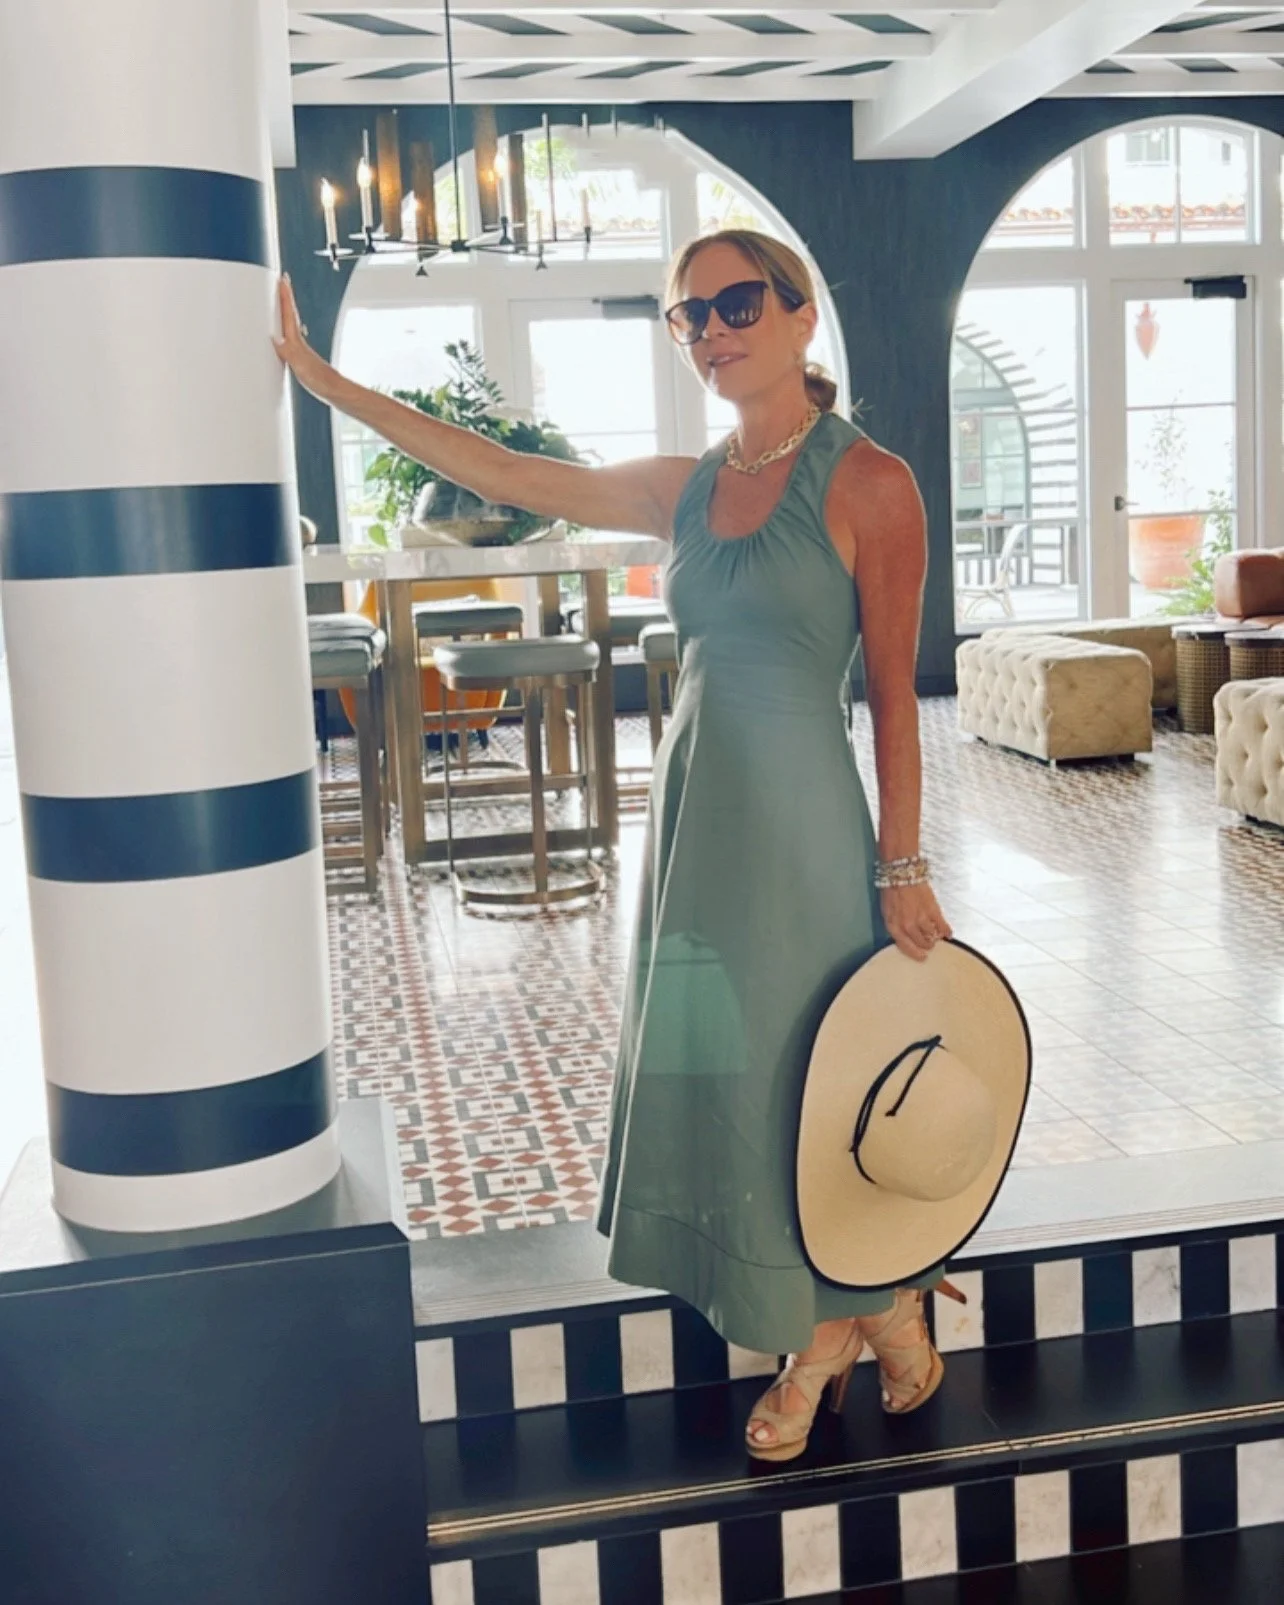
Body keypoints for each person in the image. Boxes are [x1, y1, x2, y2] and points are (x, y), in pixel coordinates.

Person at [273, 227, 957, 1463]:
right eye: (689, 315)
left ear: (802, 315)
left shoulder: (872, 483)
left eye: (735, 303)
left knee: (805, 1079)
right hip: (694, 822)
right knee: (724, 1072)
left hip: (802, 824)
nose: (711, 331)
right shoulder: (679, 487)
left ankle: (822, 1340)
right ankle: (876, 1308)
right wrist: (328, 386)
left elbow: (898, 697)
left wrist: (901, 865)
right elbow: (501, 471)